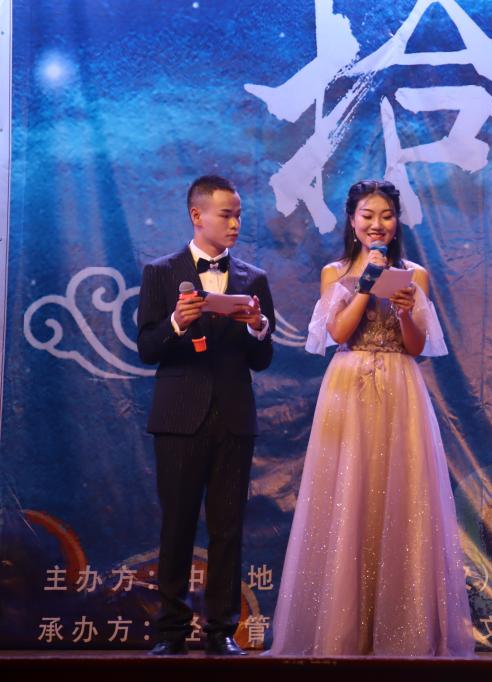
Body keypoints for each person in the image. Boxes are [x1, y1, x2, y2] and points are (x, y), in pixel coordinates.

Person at [268, 179, 473, 657]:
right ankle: (342, 632)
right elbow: (338, 332)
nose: (377, 224)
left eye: (386, 215)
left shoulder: (415, 275)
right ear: (352, 220)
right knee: (347, 495)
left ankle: (401, 631)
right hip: (348, 386)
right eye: (367, 215)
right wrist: (364, 286)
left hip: (400, 387)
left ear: (397, 222)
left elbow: (416, 347)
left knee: (401, 497)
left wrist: (404, 311)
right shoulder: (335, 271)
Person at [137, 175, 275, 656]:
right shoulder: (161, 272)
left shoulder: (253, 279)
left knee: (227, 527)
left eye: (239, 215)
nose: (235, 224)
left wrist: (257, 326)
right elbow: (147, 348)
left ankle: (221, 631)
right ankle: (171, 631)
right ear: (197, 216)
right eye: (226, 215)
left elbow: (262, 360)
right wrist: (178, 321)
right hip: (179, 417)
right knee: (176, 525)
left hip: (234, 418)